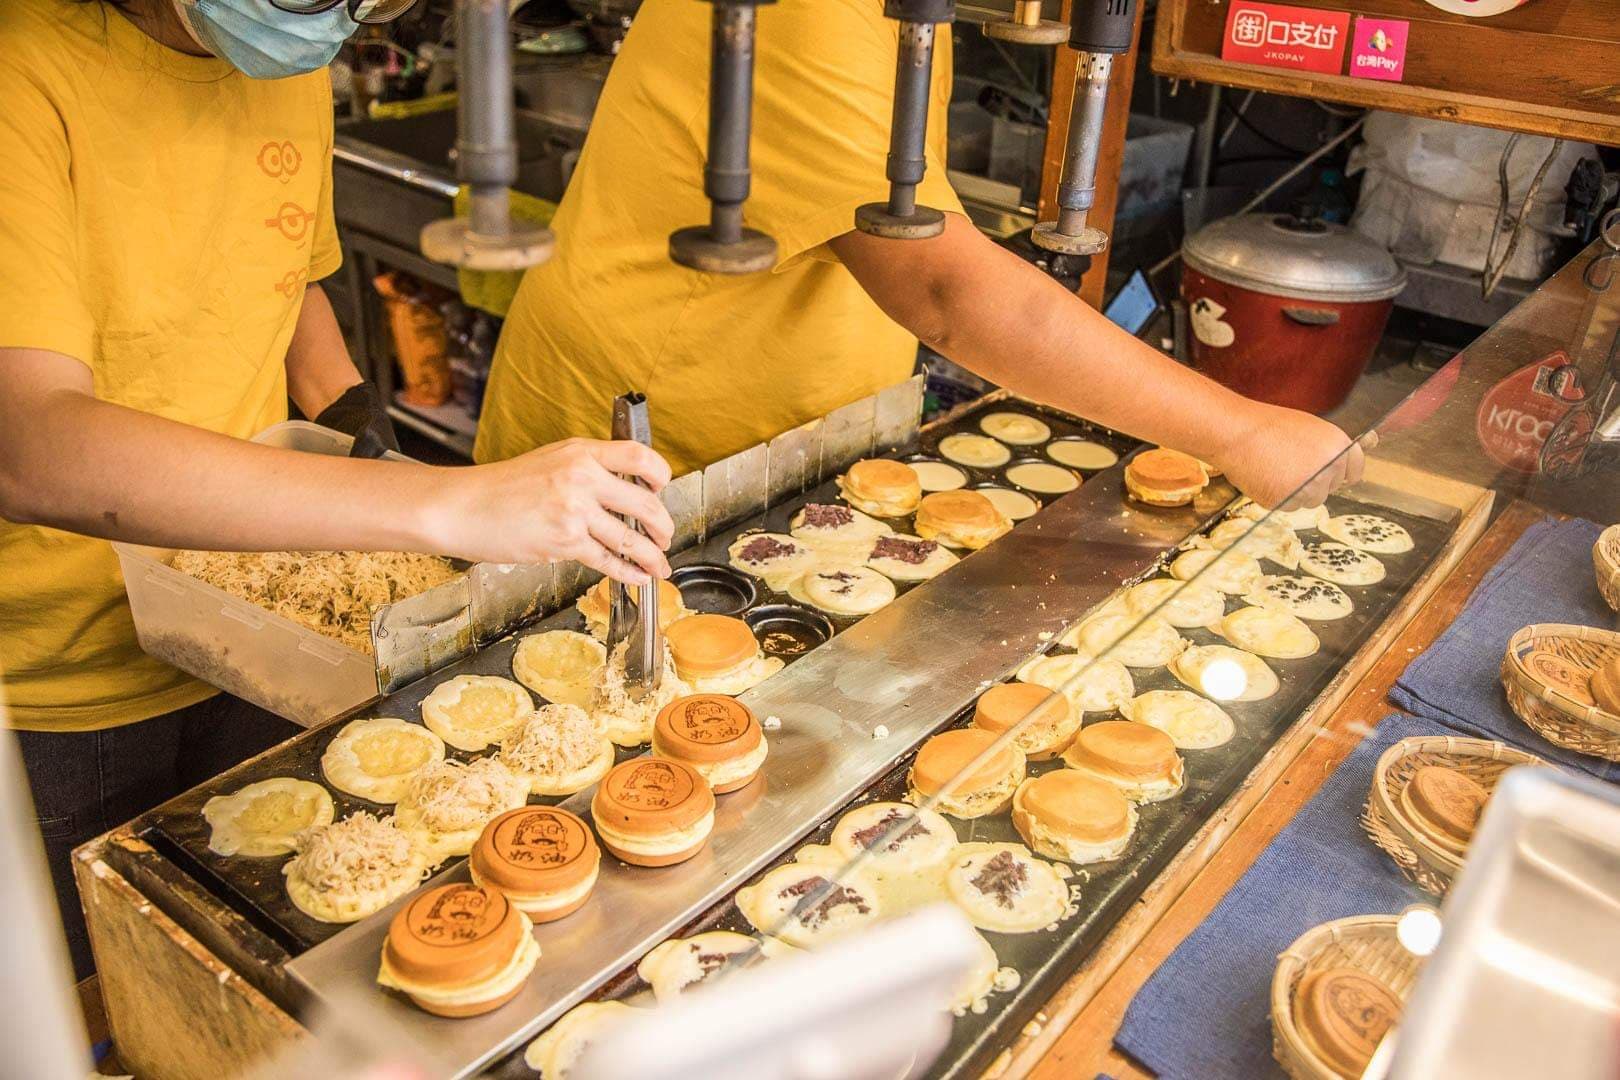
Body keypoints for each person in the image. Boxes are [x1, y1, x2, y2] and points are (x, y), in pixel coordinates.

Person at [0, 0, 674, 977]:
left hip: (261, 628)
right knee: (111, 990)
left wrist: (368, 438)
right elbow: (32, 448)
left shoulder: (284, 64)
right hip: (65, 686)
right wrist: (448, 504)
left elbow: (294, 279)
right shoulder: (26, 72)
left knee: (282, 950)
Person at [476, 0, 1363, 507]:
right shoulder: (812, 14)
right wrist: (1239, 430)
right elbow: (943, 289)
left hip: (781, 447)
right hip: (649, 448)